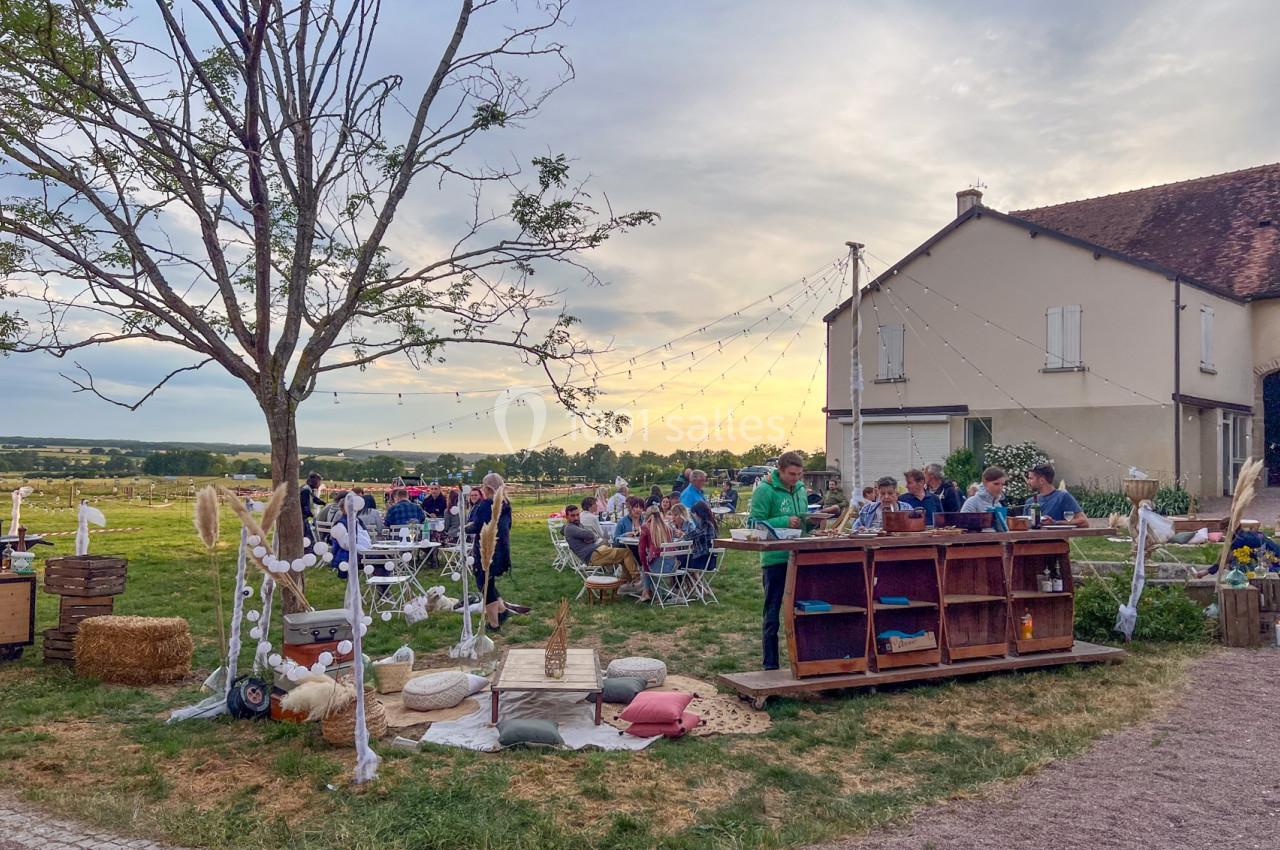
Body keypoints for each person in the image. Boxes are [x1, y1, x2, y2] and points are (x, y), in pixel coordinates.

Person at [748, 451, 809, 670]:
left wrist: (812, 522)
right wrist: (784, 520)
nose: (796, 479)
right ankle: (770, 665)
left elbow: (802, 520)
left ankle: (805, 661)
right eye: (792, 474)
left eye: (799, 475)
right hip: (775, 559)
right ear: (780, 470)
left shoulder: (801, 490)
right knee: (772, 613)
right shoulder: (765, 491)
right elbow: (754, 523)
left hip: (800, 556)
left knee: (803, 611)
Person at [465, 473, 528, 632]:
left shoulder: (487, 504)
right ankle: (502, 610)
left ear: (487, 487)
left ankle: (494, 623)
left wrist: (461, 528)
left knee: (484, 583)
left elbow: (479, 526)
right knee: (489, 582)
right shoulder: (505, 503)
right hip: (502, 548)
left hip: (488, 548)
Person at [562, 503, 641, 586]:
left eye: (577, 515)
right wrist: (589, 537)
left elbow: (592, 536)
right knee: (626, 553)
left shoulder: (578, 525)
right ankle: (637, 580)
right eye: (572, 516)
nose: (576, 518)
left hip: (597, 550)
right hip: (592, 555)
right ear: (567, 517)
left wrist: (590, 537)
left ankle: (625, 584)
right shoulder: (570, 528)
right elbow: (591, 535)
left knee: (622, 556)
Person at [1023, 463, 1089, 527]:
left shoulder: (1062, 497)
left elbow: (1084, 522)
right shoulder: (1030, 502)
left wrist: (1055, 523)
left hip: (1055, 538)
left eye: (1031, 478)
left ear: (1041, 481)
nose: (1028, 482)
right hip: (1030, 538)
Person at [637, 506, 678, 603]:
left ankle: (649, 593)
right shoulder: (668, 528)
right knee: (650, 564)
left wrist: (645, 566)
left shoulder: (646, 527)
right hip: (672, 566)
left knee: (647, 566)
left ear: (647, 516)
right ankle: (649, 593)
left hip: (658, 567)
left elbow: (641, 551)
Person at [329, 495, 372, 570]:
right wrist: (366, 551)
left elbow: (365, 538)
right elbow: (346, 545)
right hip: (350, 556)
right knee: (381, 557)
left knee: (385, 556)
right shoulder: (341, 524)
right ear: (342, 509)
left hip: (365, 550)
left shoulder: (358, 521)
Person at [686, 501, 719, 572]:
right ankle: (695, 582)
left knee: (677, 562)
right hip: (710, 560)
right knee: (681, 560)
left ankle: (681, 583)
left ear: (697, 513)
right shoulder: (711, 522)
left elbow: (691, 536)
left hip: (704, 561)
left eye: (693, 514)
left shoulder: (705, 524)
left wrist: (683, 535)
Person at [300, 472, 324, 549]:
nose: (320, 484)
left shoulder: (307, 489)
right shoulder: (306, 490)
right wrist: (311, 514)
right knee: (308, 537)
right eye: (319, 482)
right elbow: (305, 505)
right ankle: (309, 551)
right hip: (302, 517)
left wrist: (323, 503)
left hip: (303, 516)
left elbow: (314, 499)